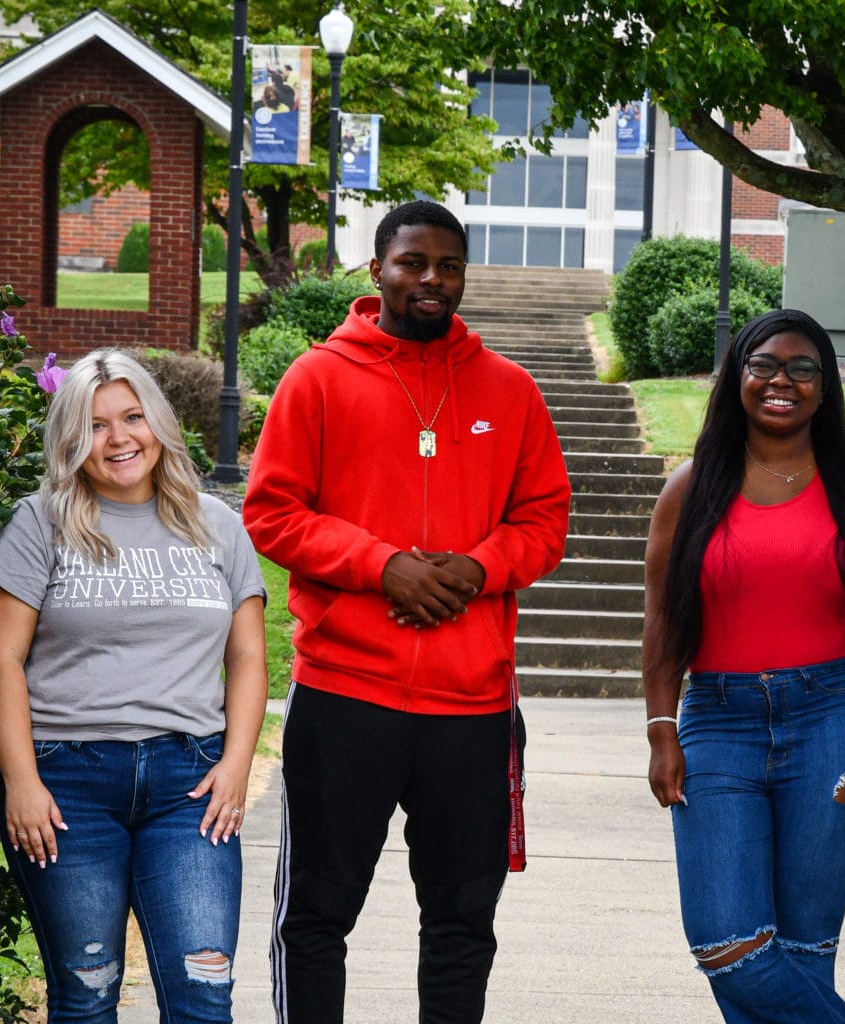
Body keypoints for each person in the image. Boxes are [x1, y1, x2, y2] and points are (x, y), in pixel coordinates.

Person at [242, 200, 570, 1024]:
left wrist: (478, 568)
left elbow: (544, 521)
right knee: (317, 915)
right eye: (413, 262)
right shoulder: (318, 378)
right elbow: (271, 513)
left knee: (462, 922)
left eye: (449, 266)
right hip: (345, 693)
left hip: (472, 704)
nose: (432, 279)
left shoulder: (511, 390)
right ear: (377, 269)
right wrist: (380, 566)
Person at [643, 309, 845, 1024]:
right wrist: (660, 727)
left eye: (803, 368)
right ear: (737, 377)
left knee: (804, 951)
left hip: (832, 718)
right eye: (764, 365)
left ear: (825, 385)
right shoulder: (691, 487)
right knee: (730, 947)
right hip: (719, 724)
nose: (783, 381)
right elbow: (663, 617)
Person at [0, 349, 268, 1022]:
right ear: (70, 439)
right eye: (95, 425)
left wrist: (235, 765)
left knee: (203, 996)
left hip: (189, 786)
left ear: (158, 423)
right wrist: (22, 783)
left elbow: (249, 655)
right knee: (87, 994)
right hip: (67, 788)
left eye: (132, 417)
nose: (118, 439)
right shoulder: (37, 525)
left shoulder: (217, 525)